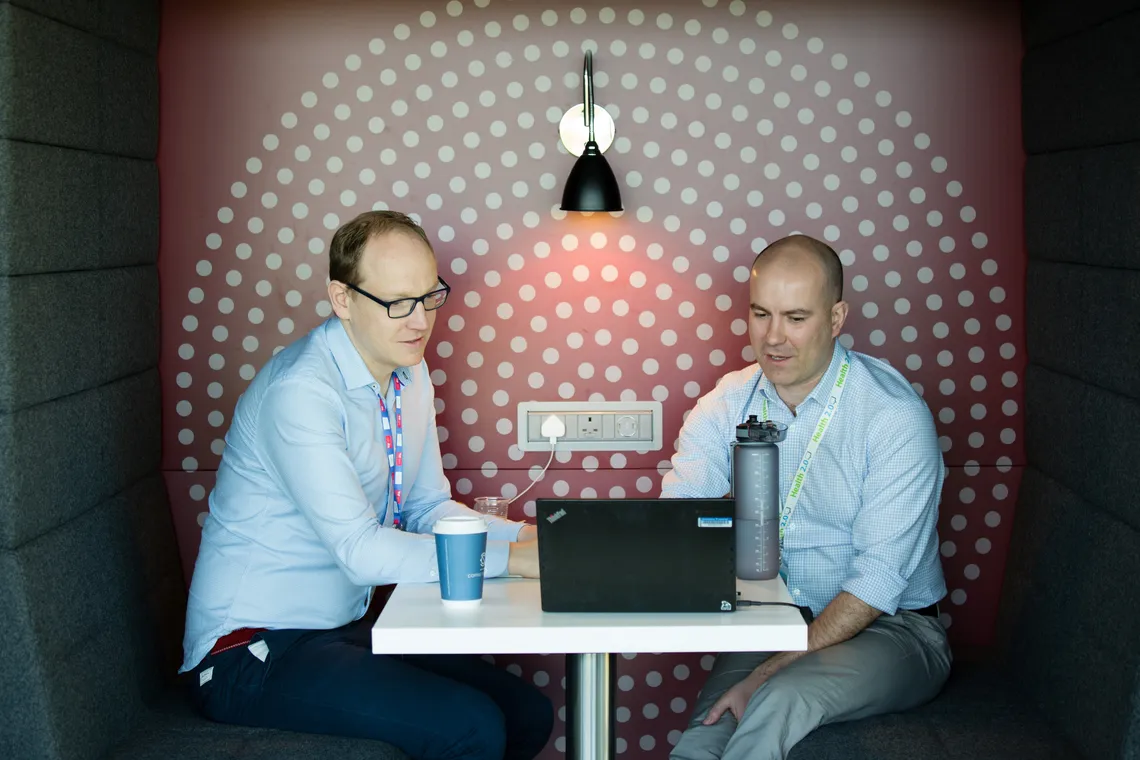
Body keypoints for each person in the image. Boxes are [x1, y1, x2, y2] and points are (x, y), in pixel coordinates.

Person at [180, 210, 552, 760]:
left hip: (335, 630)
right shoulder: (302, 392)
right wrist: (513, 560)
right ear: (343, 299)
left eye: (429, 297)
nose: (419, 321)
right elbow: (360, 552)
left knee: (527, 713)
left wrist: (523, 537)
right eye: (397, 302)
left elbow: (426, 507)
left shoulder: (410, 371)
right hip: (248, 652)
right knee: (472, 727)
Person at [663, 234, 952, 760]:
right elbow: (678, 518)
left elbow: (878, 581)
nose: (773, 337)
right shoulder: (728, 400)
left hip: (893, 630)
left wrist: (769, 669)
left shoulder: (893, 416)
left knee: (776, 699)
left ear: (836, 318)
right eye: (761, 314)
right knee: (703, 737)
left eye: (796, 318)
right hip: (774, 620)